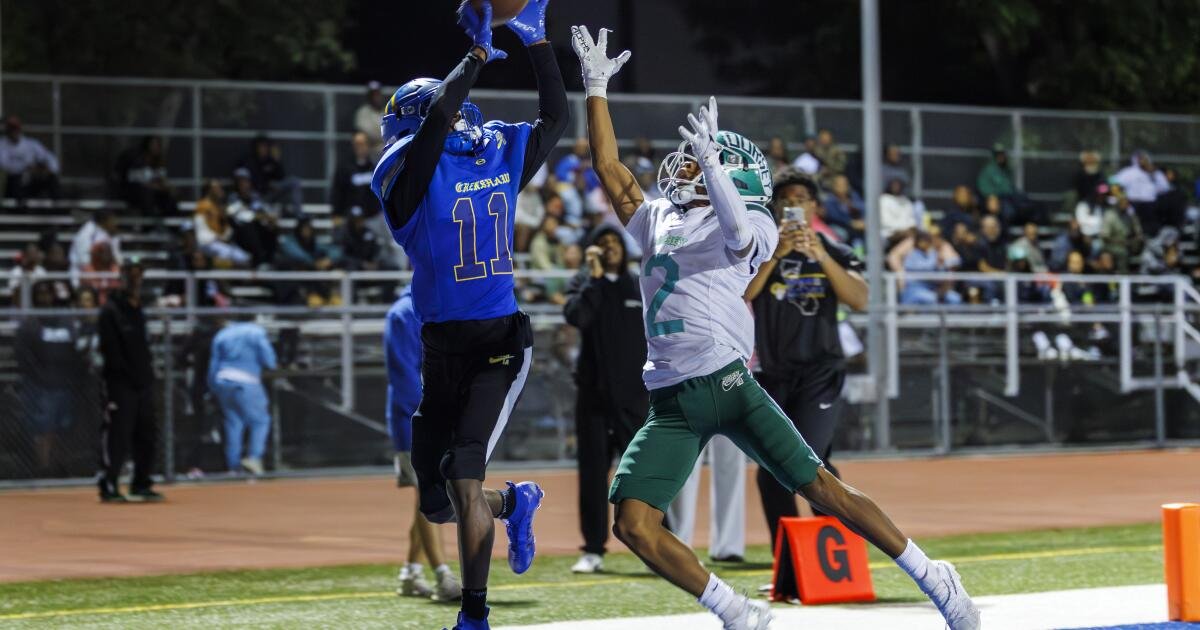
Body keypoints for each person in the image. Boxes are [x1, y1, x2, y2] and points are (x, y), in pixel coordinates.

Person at [573, 25, 979, 630]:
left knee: (821, 487)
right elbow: (610, 168)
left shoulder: (757, 222)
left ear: (729, 176)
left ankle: (932, 575)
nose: (682, 169)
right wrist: (597, 88)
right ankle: (735, 610)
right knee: (632, 524)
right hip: (671, 403)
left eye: (699, 164)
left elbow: (737, 235)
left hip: (728, 386)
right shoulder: (660, 217)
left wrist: (713, 169)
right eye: (689, 162)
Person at [369, 2, 566, 627]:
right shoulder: (403, 172)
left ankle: (474, 615)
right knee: (434, 501)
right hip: (441, 347)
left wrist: (536, 43)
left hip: (499, 342)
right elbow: (428, 139)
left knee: (460, 472)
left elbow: (554, 121)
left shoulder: (493, 152)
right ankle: (514, 502)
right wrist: (477, 57)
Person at [742, 170, 870, 550]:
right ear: (774, 207)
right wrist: (777, 253)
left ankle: (834, 553)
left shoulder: (835, 249)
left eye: (801, 199)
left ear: (814, 206)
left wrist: (819, 255)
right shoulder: (761, 249)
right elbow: (744, 292)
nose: (793, 205)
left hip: (820, 372)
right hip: (773, 375)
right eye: (785, 200)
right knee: (770, 473)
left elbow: (859, 298)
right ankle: (789, 565)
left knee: (809, 464)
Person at [562, 224, 647, 574]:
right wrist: (594, 280)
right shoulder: (584, 284)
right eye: (602, 244)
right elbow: (578, 317)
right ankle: (594, 548)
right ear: (592, 251)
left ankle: (656, 542)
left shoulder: (640, 283)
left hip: (634, 397)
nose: (610, 248)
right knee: (593, 475)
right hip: (593, 398)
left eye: (614, 242)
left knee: (643, 474)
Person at [385, 287, 464, 601]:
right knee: (430, 493)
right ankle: (443, 575)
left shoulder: (435, 303)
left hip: (434, 416)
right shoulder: (404, 313)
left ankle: (411, 572)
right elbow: (404, 376)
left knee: (429, 495)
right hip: (415, 421)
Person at [97, 259, 164, 503]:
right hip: (120, 382)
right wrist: (124, 375)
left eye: (139, 274)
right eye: (131, 274)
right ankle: (109, 483)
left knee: (147, 433)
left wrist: (146, 376)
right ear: (122, 276)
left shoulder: (139, 309)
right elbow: (110, 350)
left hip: (143, 381)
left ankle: (141, 483)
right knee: (118, 433)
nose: (135, 279)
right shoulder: (111, 310)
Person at [15, 281, 81, 475]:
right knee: (43, 428)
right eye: (40, 294)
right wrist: (39, 377)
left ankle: (59, 466)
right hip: (40, 385)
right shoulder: (30, 324)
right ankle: (43, 468)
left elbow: (74, 349)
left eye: (48, 294)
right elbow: (23, 354)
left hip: (64, 383)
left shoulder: (65, 321)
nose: (45, 298)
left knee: (63, 427)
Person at [207, 318, 277, 475]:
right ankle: (254, 458)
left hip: (223, 380)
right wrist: (271, 364)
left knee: (233, 423)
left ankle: (233, 466)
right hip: (247, 381)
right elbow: (269, 360)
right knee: (261, 421)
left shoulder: (222, 334)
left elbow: (213, 364)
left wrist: (212, 387)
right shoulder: (256, 332)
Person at [114, 136, 178, 219]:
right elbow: (137, 181)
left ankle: (172, 225)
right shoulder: (137, 160)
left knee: (169, 198)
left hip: (153, 193)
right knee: (147, 195)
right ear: (147, 145)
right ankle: (149, 227)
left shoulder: (158, 161)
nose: (156, 147)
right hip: (135, 193)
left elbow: (161, 180)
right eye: (153, 145)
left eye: (158, 145)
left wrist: (168, 187)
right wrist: (156, 187)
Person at [0, 115, 60, 200]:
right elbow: (4, 165)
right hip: (14, 181)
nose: (14, 132)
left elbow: (50, 158)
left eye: (15, 128)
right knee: (17, 180)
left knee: (51, 178)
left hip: (31, 179)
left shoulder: (31, 144)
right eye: (11, 129)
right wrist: (26, 168)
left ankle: (59, 207)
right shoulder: (2, 145)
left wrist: (48, 169)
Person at [1114, 150, 1169, 238]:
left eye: (1144, 158)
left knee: (1150, 231)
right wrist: (1120, 197)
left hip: (1150, 205)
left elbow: (1165, 187)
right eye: (1140, 158)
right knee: (1132, 228)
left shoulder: (1155, 173)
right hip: (1133, 203)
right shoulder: (1129, 172)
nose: (1142, 161)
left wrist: (1153, 173)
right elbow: (1114, 182)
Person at [355, 81, 387, 156]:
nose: (375, 97)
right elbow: (365, 130)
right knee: (359, 138)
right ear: (369, 96)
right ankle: (363, 165)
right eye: (373, 94)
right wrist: (381, 134)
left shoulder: (387, 110)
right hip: (371, 145)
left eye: (377, 94)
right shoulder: (363, 111)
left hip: (387, 143)